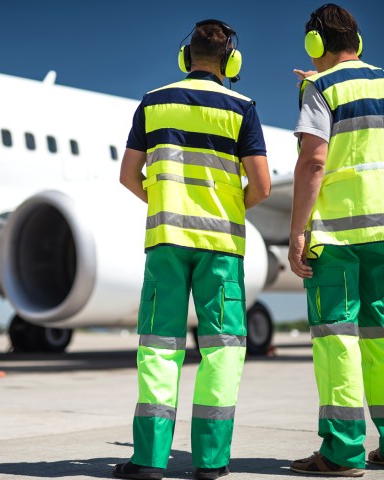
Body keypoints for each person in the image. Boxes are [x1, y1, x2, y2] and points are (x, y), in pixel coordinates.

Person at [113, 19, 270, 480]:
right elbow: (260, 184)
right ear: (229, 62)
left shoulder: (153, 103)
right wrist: (227, 208)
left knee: (159, 349)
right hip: (220, 246)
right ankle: (211, 462)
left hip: (166, 243)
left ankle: (148, 460)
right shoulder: (243, 108)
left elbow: (127, 175)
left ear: (186, 57)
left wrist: (164, 203)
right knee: (221, 350)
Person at [288, 4, 384, 477]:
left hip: (338, 234)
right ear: (357, 43)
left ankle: (341, 453)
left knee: (336, 341)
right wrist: (316, 83)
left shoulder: (322, 89)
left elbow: (315, 163)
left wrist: (297, 231)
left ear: (315, 45)